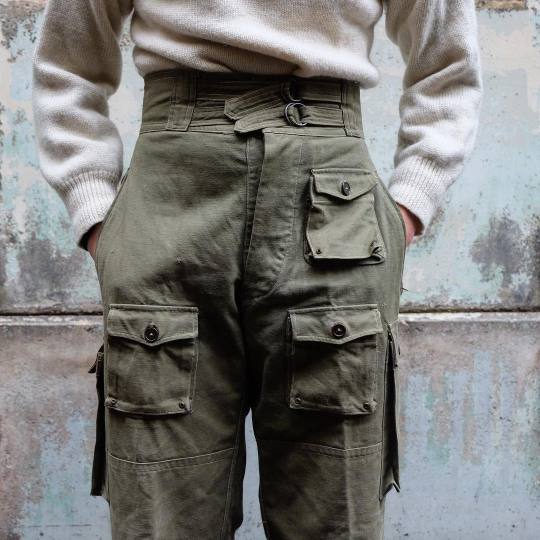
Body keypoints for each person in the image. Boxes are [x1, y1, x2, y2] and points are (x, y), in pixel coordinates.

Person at [31, 1, 482, 538]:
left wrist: (409, 203)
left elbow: (448, 64)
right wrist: (94, 209)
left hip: (336, 200)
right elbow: (67, 62)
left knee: (334, 514)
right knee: (162, 515)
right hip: (167, 193)